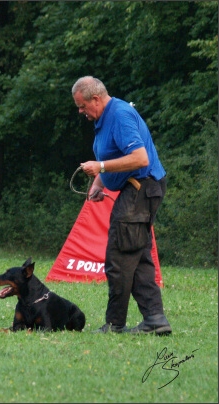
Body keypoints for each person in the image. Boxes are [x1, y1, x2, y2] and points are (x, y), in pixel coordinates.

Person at [72, 76, 171, 335]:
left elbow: (139, 158)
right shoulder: (105, 118)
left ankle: (115, 324)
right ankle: (155, 319)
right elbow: (115, 154)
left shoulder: (120, 115)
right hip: (140, 189)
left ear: (96, 99)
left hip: (141, 188)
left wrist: (101, 167)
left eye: (82, 106)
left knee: (119, 255)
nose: (81, 112)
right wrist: (99, 182)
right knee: (137, 256)